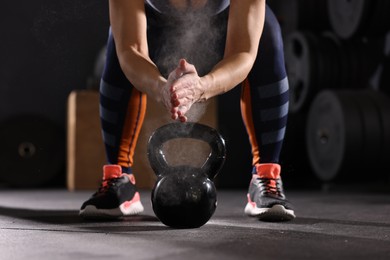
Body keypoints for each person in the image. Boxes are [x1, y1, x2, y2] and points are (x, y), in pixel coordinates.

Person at [80, 0, 295, 222]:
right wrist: (161, 88)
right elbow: (130, 50)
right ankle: (119, 178)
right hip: (154, 30)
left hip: (226, 30)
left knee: (267, 35)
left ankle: (266, 177)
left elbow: (243, 52)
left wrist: (202, 87)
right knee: (117, 39)